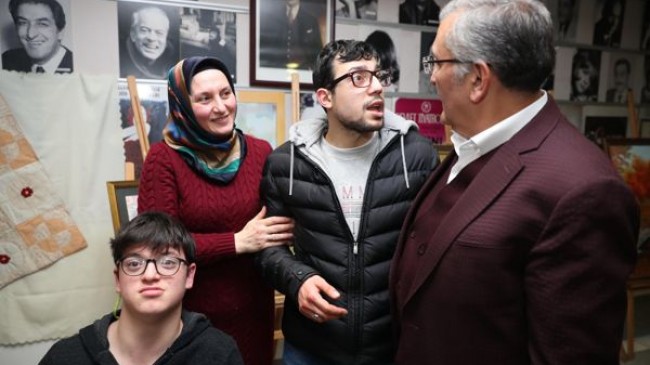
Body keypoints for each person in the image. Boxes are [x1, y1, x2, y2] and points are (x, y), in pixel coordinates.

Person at [390, 1, 639, 364]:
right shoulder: (473, 143)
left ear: (477, 79)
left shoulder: (584, 190)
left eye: (435, 63)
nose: (432, 76)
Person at [257, 39, 437, 364]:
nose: (377, 87)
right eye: (358, 77)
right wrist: (299, 280)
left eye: (378, 76)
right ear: (325, 97)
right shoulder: (287, 164)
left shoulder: (417, 157)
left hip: (391, 345)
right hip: (310, 346)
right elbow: (269, 248)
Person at [137, 56, 294, 365]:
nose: (221, 107)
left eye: (226, 93)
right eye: (204, 99)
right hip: (191, 322)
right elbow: (156, 247)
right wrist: (237, 242)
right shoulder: (163, 160)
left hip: (254, 314)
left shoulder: (261, 151)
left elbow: (272, 230)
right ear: (182, 104)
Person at [39, 211, 244, 365]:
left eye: (168, 262)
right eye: (134, 264)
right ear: (118, 279)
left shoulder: (219, 354)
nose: (150, 275)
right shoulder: (64, 358)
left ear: (189, 275)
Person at [2, 0, 73, 74]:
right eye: (23, 23)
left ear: (60, 32)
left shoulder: (78, 64)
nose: (30, 34)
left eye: (42, 24)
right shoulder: (7, 60)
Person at [259, 0, 323, 70]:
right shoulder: (271, 18)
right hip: (275, 71)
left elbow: (317, 54)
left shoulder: (311, 21)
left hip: (302, 72)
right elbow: (264, 50)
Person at [120, 6, 178, 79]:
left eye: (159, 33)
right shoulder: (119, 63)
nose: (152, 38)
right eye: (144, 30)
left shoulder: (174, 63)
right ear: (133, 33)